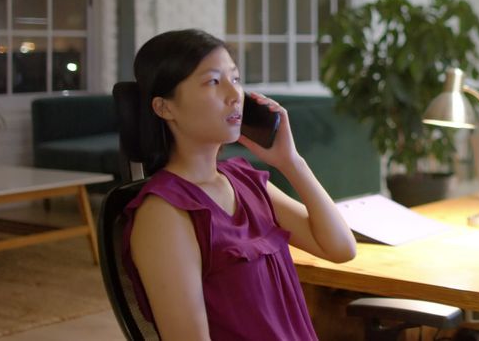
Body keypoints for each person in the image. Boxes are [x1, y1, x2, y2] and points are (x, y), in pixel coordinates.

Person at [121, 29, 355, 340]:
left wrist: (292, 162)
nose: (235, 95)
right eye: (213, 82)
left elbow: (340, 248)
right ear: (165, 108)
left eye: (236, 79)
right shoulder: (164, 213)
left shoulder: (245, 181)